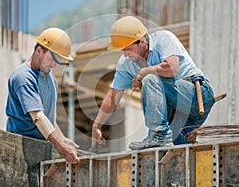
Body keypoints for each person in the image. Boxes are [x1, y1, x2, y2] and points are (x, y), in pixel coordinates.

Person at [91, 16, 215, 150]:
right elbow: (112, 97)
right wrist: (97, 125)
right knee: (177, 154)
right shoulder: (125, 63)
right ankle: (160, 138)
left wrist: (145, 71)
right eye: (122, 50)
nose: (125, 54)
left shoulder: (164, 39)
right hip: (177, 114)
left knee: (150, 79)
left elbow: (172, 68)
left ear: (142, 41)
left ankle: (159, 135)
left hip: (197, 96)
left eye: (128, 49)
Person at [6, 27, 80, 163]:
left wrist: (62, 139)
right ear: (39, 51)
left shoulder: (50, 80)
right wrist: (61, 147)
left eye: (59, 61)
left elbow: (48, 120)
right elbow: (38, 117)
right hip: (19, 149)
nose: (54, 64)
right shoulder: (23, 77)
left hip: (40, 148)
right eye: (53, 58)